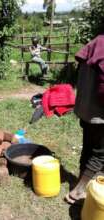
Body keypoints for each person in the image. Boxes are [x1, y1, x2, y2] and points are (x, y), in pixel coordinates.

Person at [65, 34, 104, 204]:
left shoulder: (97, 42)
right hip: (99, 115)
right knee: (100, 153)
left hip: (84, 108)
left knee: (88, 147)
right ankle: (78, 192)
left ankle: (81, 181)